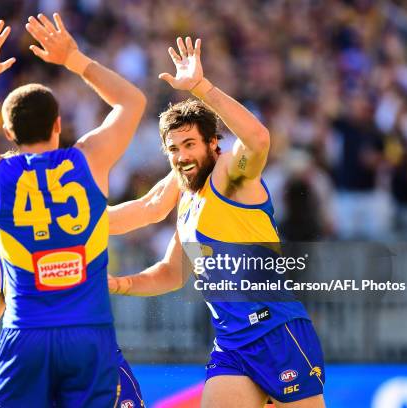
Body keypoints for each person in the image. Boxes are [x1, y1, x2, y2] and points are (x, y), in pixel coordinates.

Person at [0, 13, 146, 407]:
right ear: (58, 125)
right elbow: (132, 101)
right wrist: (75, 59)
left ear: (7, 133)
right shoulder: (90, 160)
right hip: (89, 332)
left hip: (26, 333)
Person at [108, 37, 325, 407]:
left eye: (190, 144)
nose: (181, 156)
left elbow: (258, 139)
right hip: (231, 344)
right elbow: (169, 269)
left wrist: (200, 88)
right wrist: (116, 281)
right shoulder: (185, 197)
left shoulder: (229, 174)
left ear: (213, 144)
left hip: (276, 329)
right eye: (173, 149)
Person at [0, 251, 145, 407]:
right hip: (35, 373)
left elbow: (143, 210)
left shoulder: (74, 235)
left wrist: (177, 185)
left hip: (93, 368)